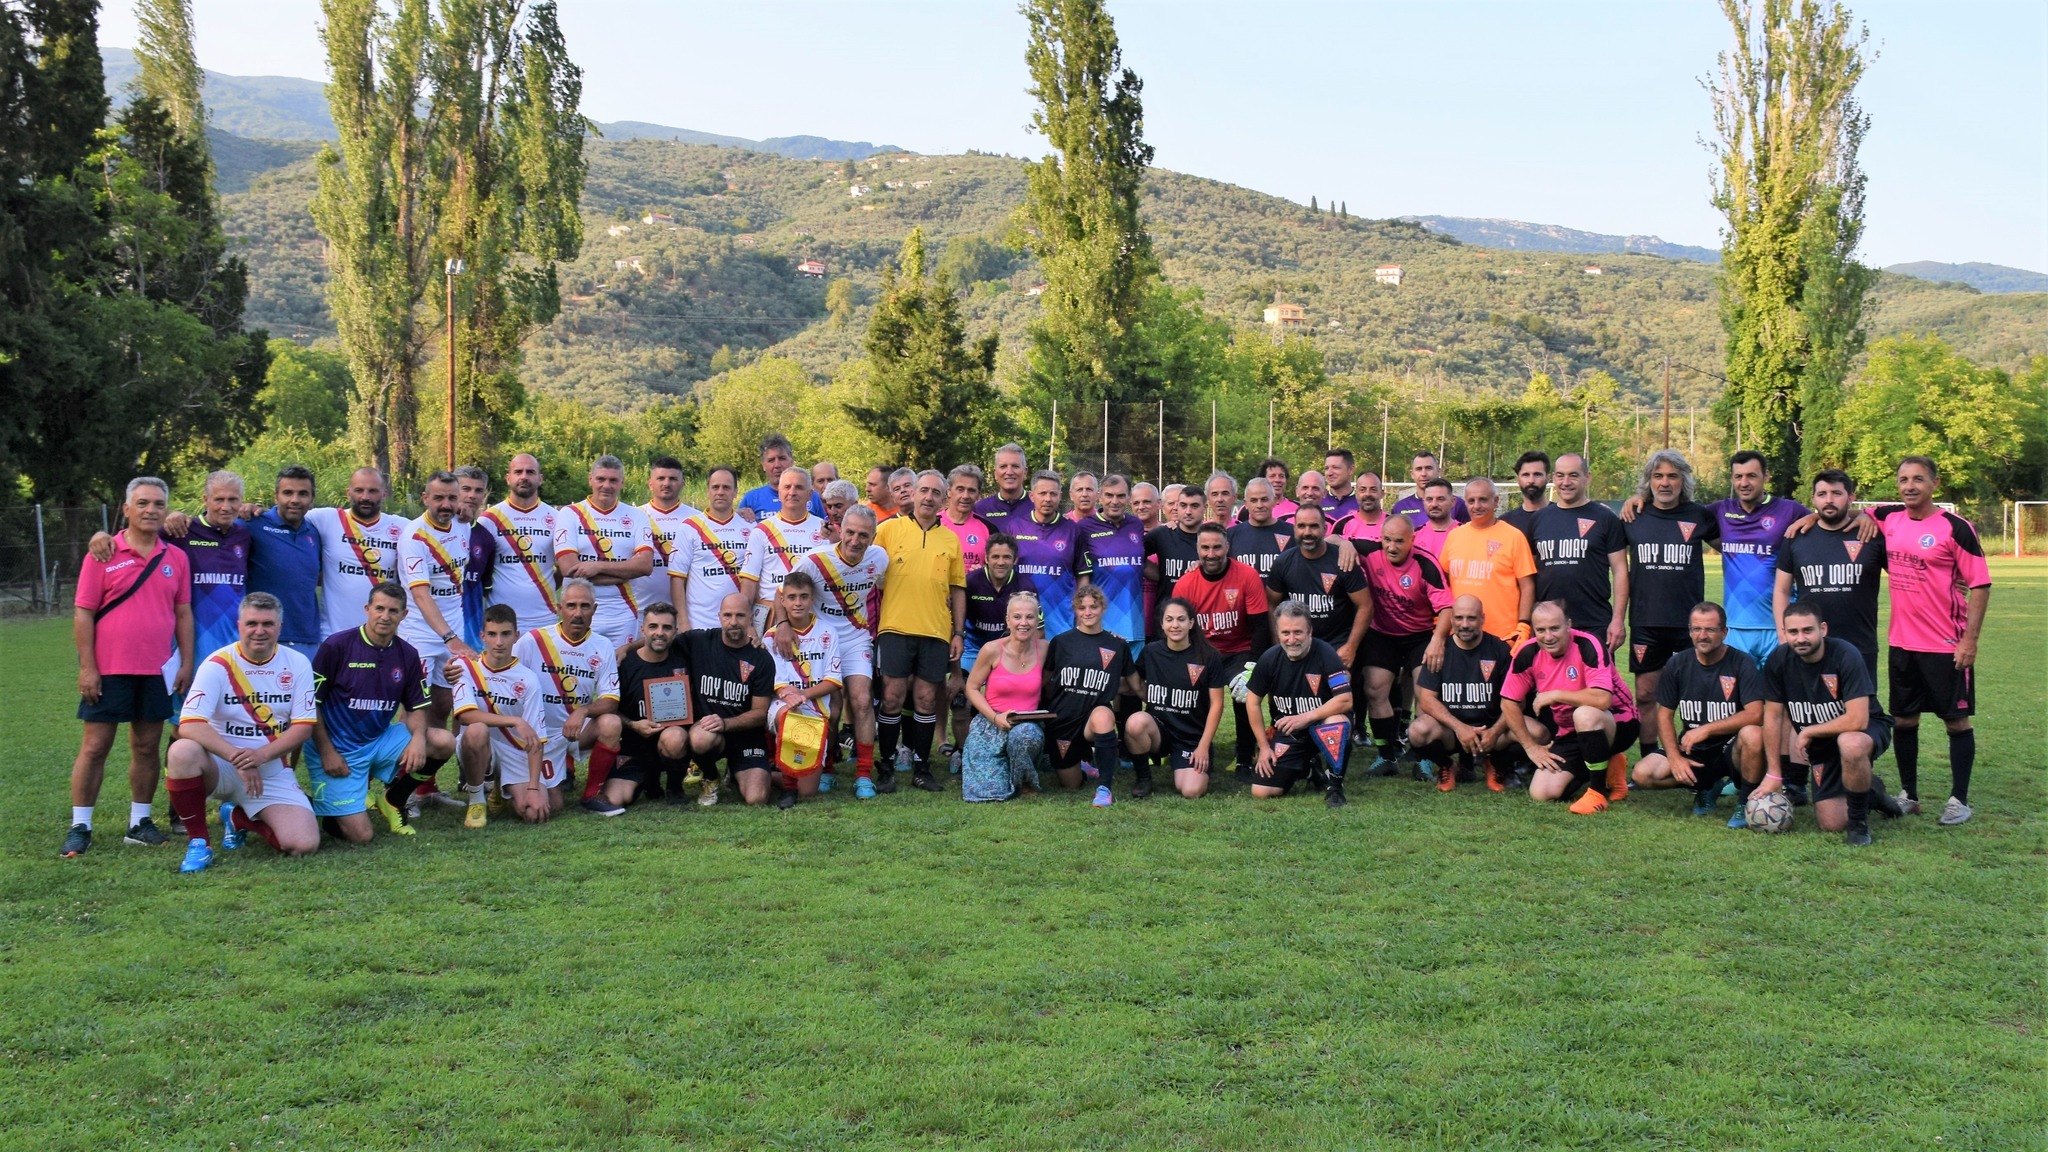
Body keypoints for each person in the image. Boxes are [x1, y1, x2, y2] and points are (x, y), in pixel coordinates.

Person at [64, 476, 194, 857]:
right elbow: (83, 614)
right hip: (109, 669)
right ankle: (80, 825)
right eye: (142, 503)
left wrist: (186, 662)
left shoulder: (176, 558)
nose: (151, 510)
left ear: (166, 510)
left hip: (156, 670)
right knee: (95, 747)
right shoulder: (103, 553)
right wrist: (88, 668)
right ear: (126, 509)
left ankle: (139, 822)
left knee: (147, 746)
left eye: (158, 504)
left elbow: (183, 613)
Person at [1861, 456, 1992, 824]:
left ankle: (1959, 800)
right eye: (1903, 479)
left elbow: (1981, 585)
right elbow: (1855, 513)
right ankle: (1910, 795)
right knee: (1904, 721)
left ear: (1935, 483)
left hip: (1946, 645)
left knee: (1956, 722)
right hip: (1902, 644)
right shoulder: (1888, 517)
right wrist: (1809, 518)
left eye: (1918, 479)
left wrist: (1970, 641)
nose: (1910, 486)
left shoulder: (1956, 528)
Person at [163, 593, 320, 872]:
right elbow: (190, 723)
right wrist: (237, 757)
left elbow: (304, 727)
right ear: (239, 625)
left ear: (280, 627)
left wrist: (260, 756)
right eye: (252, 623)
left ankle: (238, 819)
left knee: (303, 844)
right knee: (181, 751)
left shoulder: (297, 663)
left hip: (270, 769)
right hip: (221, 765)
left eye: (268, 624)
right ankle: (199, 842)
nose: (259, 631)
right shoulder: (217, 663)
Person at [307, 581, 453, 842]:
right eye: (379, 608)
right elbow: (311, 704)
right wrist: (327, 752)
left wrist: (418, 739)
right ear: (367, 609)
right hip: (338, 749)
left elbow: (417, 706)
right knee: (361, 835)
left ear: (404, 615)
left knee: (443, 741)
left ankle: (394, 798)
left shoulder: (407, 654)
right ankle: (308, 806)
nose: (385, 616)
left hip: (378, 741)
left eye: (393, 611)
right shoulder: (336, 646)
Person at [1756, 602, 1896, 845]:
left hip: (1864, 729)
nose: (1801, 638)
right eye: (1793, 632)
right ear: (1784, 632)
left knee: (1851, 744)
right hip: (1821, 742)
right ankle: (1873, 791)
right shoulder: (1778, 660)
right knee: (1831, 823)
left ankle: (1859, 824)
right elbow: (1773, 717)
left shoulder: (1845, 655)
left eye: (1807, 630)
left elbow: (1858, 719)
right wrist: (1774, 773)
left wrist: (1810, 730)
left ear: (1823, 629)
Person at [1620, 450, 1722, 777]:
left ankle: (1703, 759)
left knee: (1696, 696)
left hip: (1689, 626)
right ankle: (1650, 758)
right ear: (1649, 481)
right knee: (1645, 694)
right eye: (1658, 476)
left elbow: (1736, 548)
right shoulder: (1633, 516)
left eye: (1673, 476)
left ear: (1684, 481)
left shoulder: (1700, 516)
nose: (1665, 483)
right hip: (1646, 622)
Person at [1628, 602, 1769, 819]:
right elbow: (1664, 715)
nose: (1702, 636)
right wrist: (1674, 757)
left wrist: (1707, 729)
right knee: (1643, 774)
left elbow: (1756, 714)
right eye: (1697, 629)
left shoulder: (1742, 662)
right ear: (1690, 631)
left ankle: (1745, 803)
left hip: (1732, 750)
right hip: (1695, 750)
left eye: (1710, 629)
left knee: (1753, 734)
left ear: (1724, 632)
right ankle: (1706, 786)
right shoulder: (1677, 663)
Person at [874, 470, 967, 792]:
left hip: (935, 631)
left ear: (944, 500)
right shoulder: (888, 530)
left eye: (935, 493)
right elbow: (865, 570)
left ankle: (921, 767)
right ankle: (886, 765)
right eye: (923, 490)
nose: (928, 497)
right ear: (912, 494)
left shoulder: (950, 540)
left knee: (927, 700)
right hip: (895, 628)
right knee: (892, 697)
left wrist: (958, 633)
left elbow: (957, 589)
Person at [1500, 602, 1640, 814]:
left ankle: (1597, 792)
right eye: (1541, 630)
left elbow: (1602, 699)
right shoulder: (1527, 653)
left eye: (1555, 628)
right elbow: (1508, 702)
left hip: (1619, 721)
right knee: (1542, 792)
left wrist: (1555, 694)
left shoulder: (1588, 644)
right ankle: (1607, 762)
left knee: (1584, 714)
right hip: (1571, 731)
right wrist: (1530, 747)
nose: (1548, 636)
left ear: (1568, 624)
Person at [513, 579, 624, 816]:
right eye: (571, 606)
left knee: (611, 723)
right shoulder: (533, 640)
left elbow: (611, 699)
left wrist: (583, 711)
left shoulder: (603, 645)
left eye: (585, 606)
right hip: (536, 735)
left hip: (575, 731)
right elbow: (502, 673)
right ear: (559, 608)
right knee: (551, 807)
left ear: (594, 609)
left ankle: (592, 794)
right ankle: (500, 781)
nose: (578, 613)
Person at [797, 505, 887, 796]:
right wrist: (784, 626)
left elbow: (885, 585)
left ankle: (863, 773)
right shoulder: (813, 561)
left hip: (856, 639)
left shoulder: (879, 558)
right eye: (850, 532)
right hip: (822, 642)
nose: (855, 540)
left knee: (862, 700)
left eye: (863, 535)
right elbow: (784, 593)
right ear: (840, 530)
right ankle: (827, 768)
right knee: (831, 709)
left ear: (873, 537)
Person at [1357, 515, 1454, 775]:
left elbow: (1446, 608)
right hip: (1382, 634)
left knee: (1425, 696)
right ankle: (1386, 757)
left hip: (1420, 636)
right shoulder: (1370, 551)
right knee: (1375, 689)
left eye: (1399, 541)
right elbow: (1334, 539)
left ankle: (1424, 758)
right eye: (1387, 540)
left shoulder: (1426, 563)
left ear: (1412, 539)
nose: (1391, 546)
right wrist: (1342, 544)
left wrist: (1437, 640)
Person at [1175, 522, 1273, 775]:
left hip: (1238, 650)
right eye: (1205, 548)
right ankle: (1187, 749)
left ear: (1227, 547)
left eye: (1217, 547)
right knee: (1187, 696)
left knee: (1244, 694)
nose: (1211, 554)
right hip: (1202, 651)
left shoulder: (1247, 575)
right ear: (1197, 549)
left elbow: (1260, 626)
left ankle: (1244, 758)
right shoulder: (1185, 583)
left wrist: (1252, 666)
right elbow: (1180, 629)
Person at [1774, 470, 1886, 680]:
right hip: (1808, 645)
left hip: (1860, 646)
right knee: (1807, 701)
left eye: (1837, 493)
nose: (1829, 500)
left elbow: (1902, 576)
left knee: (1861, 702)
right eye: (1822, 494)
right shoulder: (1796, 536)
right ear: (1813, 498)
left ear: (1851, 497)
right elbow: (1782, 589)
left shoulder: (1870, 535)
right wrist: (1783, 634)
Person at [1244, 600, 1356, 807]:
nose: (1292, 639)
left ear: (1310, 631)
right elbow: (1252, 702)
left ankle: (1335, 787)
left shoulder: (1327, 654)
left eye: (1298, 632)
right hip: (1290, 732)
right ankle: (1309, 770)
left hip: (1322, 723)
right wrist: (1264, 747)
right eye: (1285, 633)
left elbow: (1345, 699)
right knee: (1262, 791)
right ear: (1278, 633)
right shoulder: (1269, 659)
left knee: (1336, 724)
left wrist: (1305, 717)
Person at [449, 604, 550, 826]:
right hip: (477, 745)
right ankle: (477, 800)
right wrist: (515, 721)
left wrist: (533, 788)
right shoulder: (464, 667)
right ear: (482, 636)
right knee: (477, 730)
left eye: (505, 634)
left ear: (516, 636)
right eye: (492, 634)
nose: (499, 642)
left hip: (514, 752)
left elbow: (536, 740)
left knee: (534, 812)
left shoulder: (528, 679)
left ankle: (499, 787)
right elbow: (465, 716)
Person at [1039, 585, 1138, 806]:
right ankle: (1083, 767)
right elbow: (1045, 682)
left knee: (1103, 715)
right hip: (1063, 720)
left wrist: (1155, 701)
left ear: (1103, 608)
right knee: (1071, 784)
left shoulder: (1117, 645)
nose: (1088, 612)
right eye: (1082, 607)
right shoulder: (1061, 642)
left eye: (1094, 606)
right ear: (1075, 610)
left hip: (1092, 718)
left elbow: (1133, 685)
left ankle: (1104, 788)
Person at [1523, 453, 1628, 654]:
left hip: (1594, 622)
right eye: (1560, 476)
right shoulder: (1538, 520)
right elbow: (1530, 575)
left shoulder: (1605, 518)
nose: (1566, 482)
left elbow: (1621, 571)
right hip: (1549, 626)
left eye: (1573, 475)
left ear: (1587, 477)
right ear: (1553, 478)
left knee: (1596, 676)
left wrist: (1617, 620)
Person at [1125, 596, 1230, 799]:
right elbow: (1134, 684)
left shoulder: (1209, 656)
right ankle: (1143, 778)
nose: (1175, 625)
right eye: (1169, 619)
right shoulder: (1151, 652)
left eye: (1181, 619)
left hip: (1191, 738)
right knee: (1136, 722)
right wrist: (1118, 649)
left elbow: (1217, 705)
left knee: (1190, 790)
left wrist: (1203, 746)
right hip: (1160, 731)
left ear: (1191, 623)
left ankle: (1184, 761)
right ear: (1162, 624)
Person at [677, 593, 776, 804]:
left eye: (740, 615)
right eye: (727, 615)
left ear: (751, 618)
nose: (733, 622)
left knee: (757, 798)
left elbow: (760, 713)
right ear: (719, 616)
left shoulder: (761, 658)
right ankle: (710, 775)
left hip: (746, 736)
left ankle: (736, 773)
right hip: (709, 733)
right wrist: (626, 649)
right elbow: (661, 640)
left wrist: (725, 723)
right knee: (700, 738)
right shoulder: (700, 641)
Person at [1411, 595, 1514, 791]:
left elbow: (1515, 700)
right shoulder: (1439, 651)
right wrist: (1459, 728)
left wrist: (1494, 731)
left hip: (1490, 731)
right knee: (1417, 731)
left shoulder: (1500, 649)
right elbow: (1426, 699)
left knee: (1537, 733)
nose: (1465, 624)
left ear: (1482, 618)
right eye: (1459, 618)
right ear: (1451, 619)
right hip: (1451, 732)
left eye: (1471, 618)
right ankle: (1447, 765)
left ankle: (1495, 763)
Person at [396, 471, 472, 733]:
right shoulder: (414, 537)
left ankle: (432, 761)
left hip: (453, 627)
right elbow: (420, 594)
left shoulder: (462, 524)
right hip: (420, 634)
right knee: (414, 708)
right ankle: (400, 758)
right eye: (438, 498)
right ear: (425, 498)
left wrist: (452, 636)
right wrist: (450, 638)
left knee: (443, 705)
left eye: (452, 498)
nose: (446, 505)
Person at [554, 455, 655, 649]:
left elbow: (644, 566)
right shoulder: (570, 513)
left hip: (623, 613)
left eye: (613, 480)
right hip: (579, 612)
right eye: (601, 479)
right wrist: (624, 573)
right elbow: (569, 569)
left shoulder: (637, 516)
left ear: (622, 483)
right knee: (578, 666)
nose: (606, 486)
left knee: (620, 666)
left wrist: (597, 567)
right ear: (590, 479)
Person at [603, 602, 695, 808]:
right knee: (615, 799)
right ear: (642, 629)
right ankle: (649, 781)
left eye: (666, 627)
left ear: (675, 632)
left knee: (674, 737)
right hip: (635, 747)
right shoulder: (624, 666)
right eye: (653, 626)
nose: (659, 633)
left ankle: (675, 787)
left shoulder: (685, 658)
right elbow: (610, 710)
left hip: (671, 742)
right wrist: (633, 725)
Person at [961, 589, 1049, 802]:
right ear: (1007, 620)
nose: (1023, 623)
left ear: (1037, 621)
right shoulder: (991, 649)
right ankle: (1004, 770)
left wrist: (1111, 637)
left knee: (1024, 737)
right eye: (1017, 617)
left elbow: (1079, 647)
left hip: (1027, 724)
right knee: (986, 791)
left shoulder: (1046, 649)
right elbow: (971, 688)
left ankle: (1025, 781)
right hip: (991, 722)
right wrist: (994, 717)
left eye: (1030, 617)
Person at [765, 571, 842, 809]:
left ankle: (764, 776)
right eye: (792, 597)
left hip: (816, 710)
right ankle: (788, 788)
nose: (798, 603)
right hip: (784, 706)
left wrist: (805, 695)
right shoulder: (771, 637)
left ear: (812, 599)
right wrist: (792, 697)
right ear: (783, 601)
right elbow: (779, 685)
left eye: (803, 597)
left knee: (808, 792)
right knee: (790, 715)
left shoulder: (828, 632)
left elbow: (833, 681)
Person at [306, 467, 407, 638]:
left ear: (384, 494)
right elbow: (284, 515)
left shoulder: (402, 527)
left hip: (380, 636)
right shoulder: (326, 519)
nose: (365, 497)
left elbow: (435, 532)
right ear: (348, 493)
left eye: (372, 491)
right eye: (359, 490)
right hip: (333, 636)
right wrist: (256, 511)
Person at [1439, 477, 1535, 643]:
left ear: (1495, 501)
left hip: (1503, 637)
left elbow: (1527, 585)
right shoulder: (1454, 536)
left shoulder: (1514, 536)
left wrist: (1523, 625)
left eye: (1483, 500)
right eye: (1471, 501)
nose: (1477, 506)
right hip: (1460, 635)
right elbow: (1442, 583)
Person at [244, 465, 323, 660]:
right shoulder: (253, 524)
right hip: (263, 638)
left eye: (303, 494)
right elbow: (214, 524)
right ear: (276, 496)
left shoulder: (314, 533)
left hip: (307, 638)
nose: (295, 500)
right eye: (288, 493)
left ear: (312, 499)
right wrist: (178, 518)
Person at [737, 466, 826, 633]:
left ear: (810, 494)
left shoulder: (822, 529)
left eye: (799, 487)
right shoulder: (762, 530)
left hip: (811, 618)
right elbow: (749, 583)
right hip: (771, 618)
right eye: (787, 487)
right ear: (779, 492)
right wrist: (746, 624)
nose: (792, 492)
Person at [1006, 469, 1090, 638]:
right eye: (1042, 493)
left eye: (1053, 494)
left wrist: (1080, 612)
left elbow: (1083, 576)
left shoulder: (1073, 530)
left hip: (1061, 621)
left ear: (1060, 496)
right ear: (1032, 496)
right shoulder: (1014, 527)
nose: (1048, 499)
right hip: (1022, 622)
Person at [482, 454, 561, 633]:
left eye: (530, 472)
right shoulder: (489, 519)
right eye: (518, 472)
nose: (524, 476)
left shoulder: (556, 518)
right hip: (501, 621)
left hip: (544, 616)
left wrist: (543, 588)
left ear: (540, 479)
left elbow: (564, 568)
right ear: (508, 478)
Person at [671, 465, 751, 633]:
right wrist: (683, 622)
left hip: (737, 624)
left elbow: (754, 579)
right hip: (699, 623)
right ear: (708, 491)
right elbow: (677, 579)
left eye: (726, 487)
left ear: (735, 492)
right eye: (715, 487)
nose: (720, 492)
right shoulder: (689, 527)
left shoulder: (750, 527)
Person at [1080, 473, 1148, 651]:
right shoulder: (1084, 528)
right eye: (1109, 495)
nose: (1114, 501)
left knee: (1134, 669)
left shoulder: (1136, 525)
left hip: (1135, 623)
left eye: (1120, 496)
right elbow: (1080, 576)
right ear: (1099, 497)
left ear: (1129, 498)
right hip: (1102, 623)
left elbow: (1143, 564)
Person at [636, 456, 701, 615]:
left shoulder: (697, 519)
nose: (666, 483)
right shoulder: (635, 516)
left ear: (682, 484)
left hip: (685, 611)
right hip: (639, 610)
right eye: (661, 478)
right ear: (650, 484)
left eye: (673, 479)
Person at [1143, 482, 1204, 633]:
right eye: (1183, 505)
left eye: (1194, 506)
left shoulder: (1212, 538)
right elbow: (1133, 555)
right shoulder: (1161, 534)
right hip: (1166, 620)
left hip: (1201, 619)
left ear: (1205, 507)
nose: (1188, 511)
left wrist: (1206, 565)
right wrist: (1157, 573)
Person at [452, 465, 498, 653]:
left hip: (470, 635)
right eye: (466, 489)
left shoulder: (486, 538)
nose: (472, 495)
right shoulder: (432, 530)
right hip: (432, 630)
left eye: (478, 491)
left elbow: (483, 587)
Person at [739, 433, 824, 521]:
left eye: (782, 458)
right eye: (771, 460)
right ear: (763, 465)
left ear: (791, 461)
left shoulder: (812, 496)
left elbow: (825, 526)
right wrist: (738, 514)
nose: (777, 465)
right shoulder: (751, 499)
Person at [1227, 477, 1294, 579]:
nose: (1259, 505)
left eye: (1264, 499)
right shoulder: (1231, 535)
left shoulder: (1291, 533)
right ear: (1246, 504)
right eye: (1254, 500)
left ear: (1274, 501)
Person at [1391, 451, 1470, 525]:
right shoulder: (1400, 507)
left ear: (1438, 471)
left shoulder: (1458, 505)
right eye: (1419, 469)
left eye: (1428, 468)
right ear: (1412, 474)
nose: (1423, 474)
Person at [940, 464, 992, 574]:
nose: (965, 496)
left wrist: (984, 574)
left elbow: (997, 569)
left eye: (971, 490)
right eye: (960, 489)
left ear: (978, 494)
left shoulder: (988, 528)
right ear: (949, 491)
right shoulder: (933, 523)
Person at [975, 442, 1032, 522]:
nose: (1009, 472)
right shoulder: (980, 509)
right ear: (995, 473)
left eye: (1015, 466)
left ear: (1025, 472)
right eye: (1003, 467)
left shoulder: (1038, 506)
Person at [1501, 450, 1551, 534]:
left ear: (1548, 478)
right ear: (1517, 479)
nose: (1531, 481)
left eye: (1537, 475)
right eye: (1526, 475)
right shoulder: (1505, 523)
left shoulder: (1562, 516)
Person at [1236, 458, 1298, 524]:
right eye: (1272, 476)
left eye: (1281, 476)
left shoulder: (1297, 508)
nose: (1277, 480)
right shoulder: (1246, 510)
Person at [1410, 478, 1457, 559]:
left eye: (1440, 499)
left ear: (1453, 502)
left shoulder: (1465, 534)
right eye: (1429, 499)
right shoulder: (1413, 536)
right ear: (1423, 502)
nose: (1434, 504)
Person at [1337, 471, 1389, 542]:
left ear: (1382, 493)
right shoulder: (1342, 525)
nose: (1367, 494)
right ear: (1356, 494)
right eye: (1362, 490)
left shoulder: (1393, 524)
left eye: (1373, 490)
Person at [1320, 449, 1360, 527]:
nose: (1329, 473)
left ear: (1351, 470)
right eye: (1326, 468)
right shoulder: (1318, 502)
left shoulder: (1362, 503)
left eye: (1335, 467)